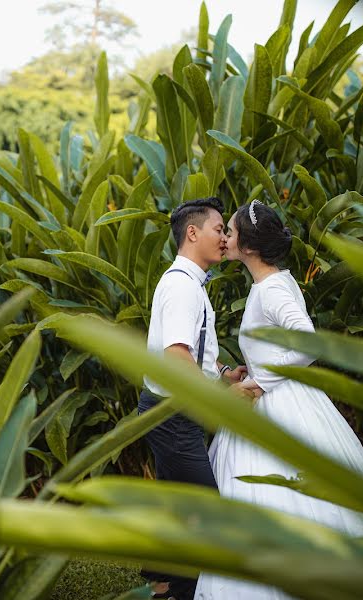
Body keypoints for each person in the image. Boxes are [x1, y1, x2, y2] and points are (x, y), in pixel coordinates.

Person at [194, 200, 363, 599]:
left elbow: (309, 341)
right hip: (279, 397)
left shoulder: (270, 289)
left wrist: (262, 380)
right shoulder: (273, 283)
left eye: (229, 232)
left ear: (248, 246)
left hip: (281, 403)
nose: (224, 239)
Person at [139, 197, 247, 600]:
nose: (225, 238)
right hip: (171, 414)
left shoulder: (188, 284)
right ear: (192, 232)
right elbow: (177, 356)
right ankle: (181, 590)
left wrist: (222, 375)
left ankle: (162, 584)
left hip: (168, 410)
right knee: (205, 508)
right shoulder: (183, 288)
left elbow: (196, 357)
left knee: (178, 503)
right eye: (220, 229)